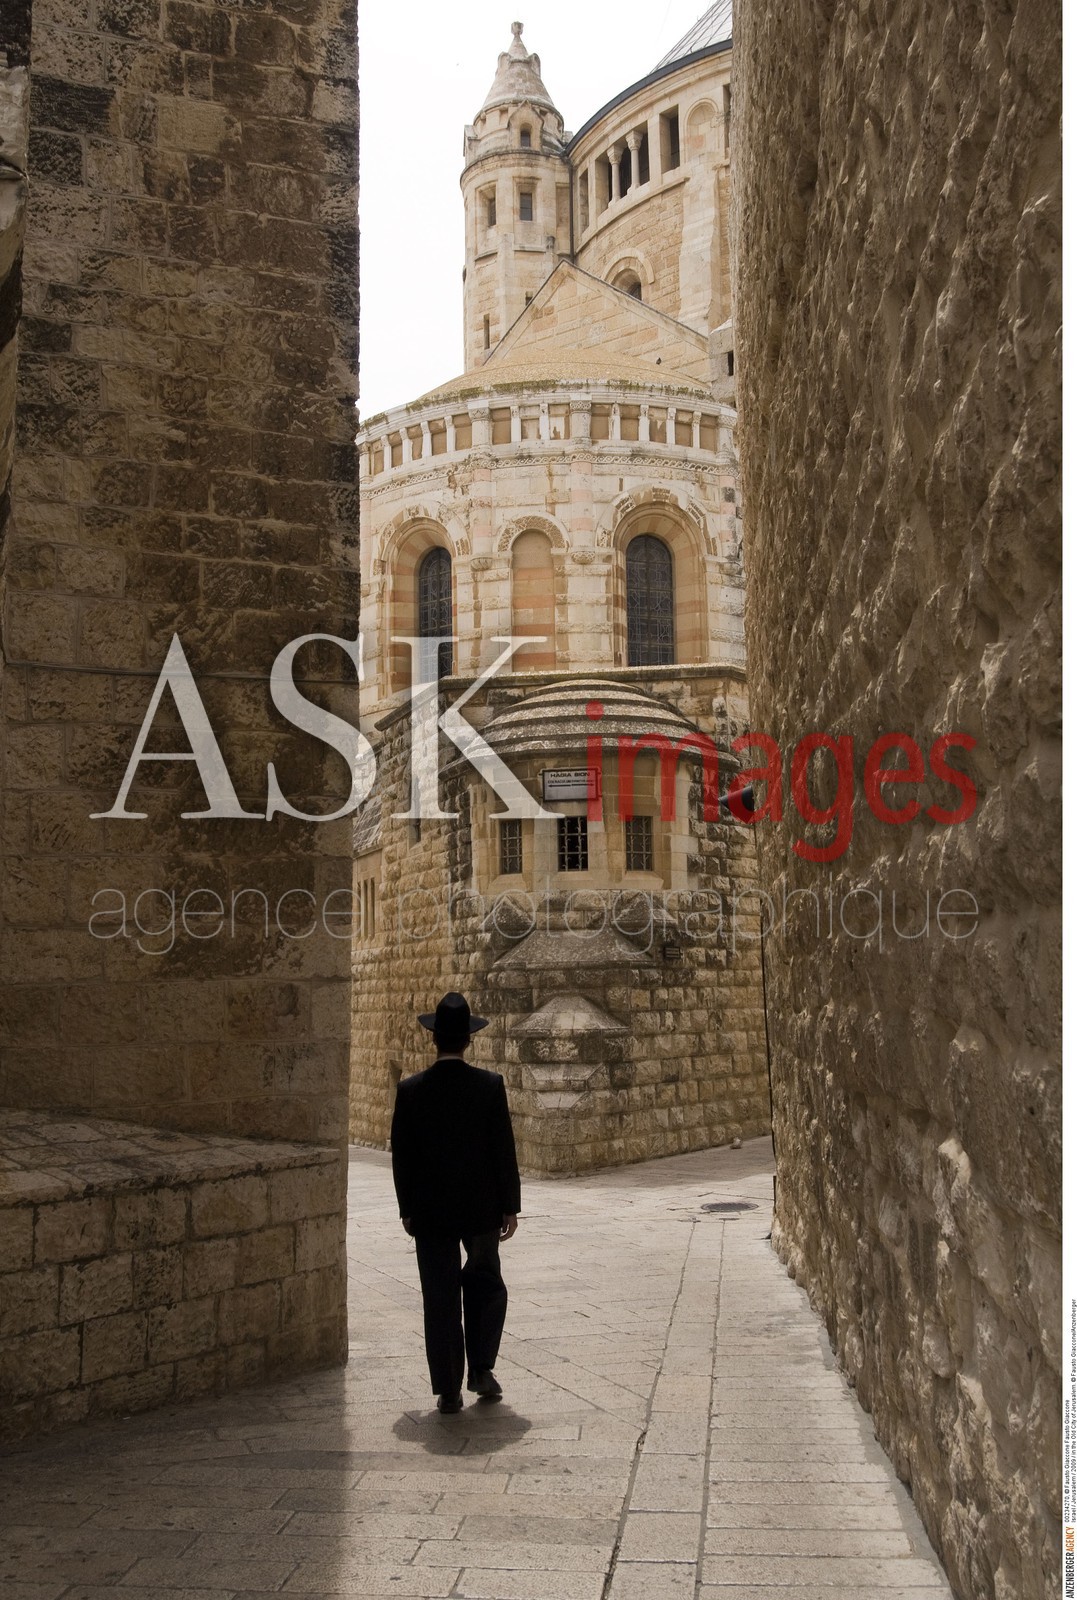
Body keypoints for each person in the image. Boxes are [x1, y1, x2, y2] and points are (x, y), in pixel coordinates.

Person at [390, 992, 521, 1414]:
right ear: (468, 1040)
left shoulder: (410, 1091)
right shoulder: (489, 1086)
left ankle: (448, 1388)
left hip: (430, 1212)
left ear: (434, 1039)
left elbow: (403, 1156)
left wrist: (407, 1209)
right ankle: (481, 1369)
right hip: (481, 1208)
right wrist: (510, 1205)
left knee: (440, 1296)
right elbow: (503, 1149)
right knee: (485, 1284)